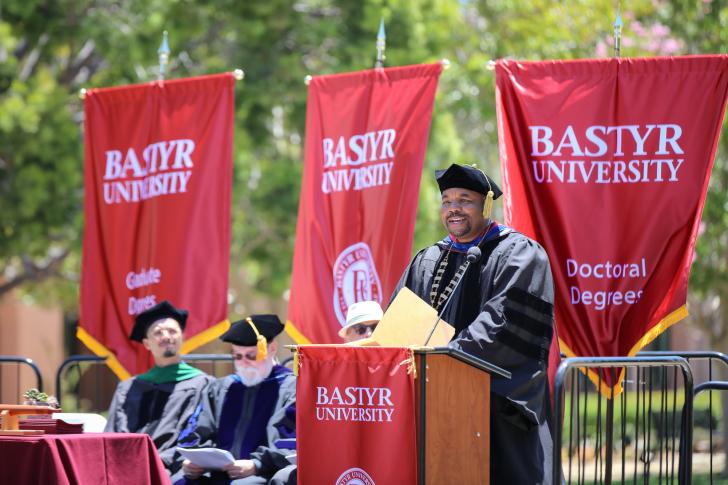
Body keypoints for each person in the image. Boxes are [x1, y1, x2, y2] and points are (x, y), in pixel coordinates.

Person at [392, 163, 556, 484]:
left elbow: (502, 327)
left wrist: (439, 364)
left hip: (497, 409)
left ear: (485, 204)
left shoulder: (519, 255)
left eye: (465, 200)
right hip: (431, 409)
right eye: (447, 201)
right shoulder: (427, 259)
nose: (454, 208)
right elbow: (397, 326)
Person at [178, 315, 296, 485]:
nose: (244, 362)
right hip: (215, 472)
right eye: (238, 356)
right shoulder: (222, 388)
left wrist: (257, 463)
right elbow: (197, 430)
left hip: (265, 472)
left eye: (251, 355)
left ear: (272, 349)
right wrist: (192, 460)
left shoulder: (290, 387)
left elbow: (290, 441)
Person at [105, 300, 214, 475]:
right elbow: (113, 433)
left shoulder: (201, 384)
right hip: (127, 465)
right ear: (147, 343)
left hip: (173, 467)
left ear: (182, 337)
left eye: (172, 331)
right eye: (158, 332)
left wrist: (161, 462)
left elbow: (198, 433)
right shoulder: (127, 389)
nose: (166, 336)